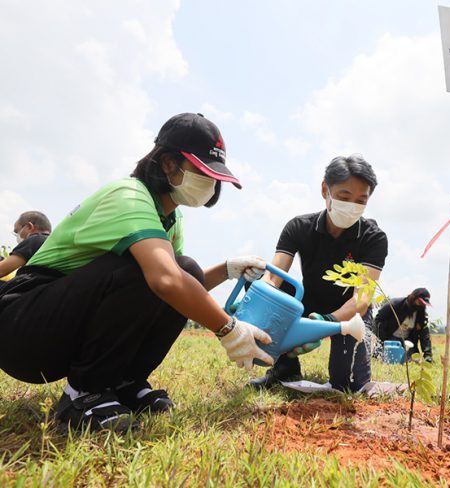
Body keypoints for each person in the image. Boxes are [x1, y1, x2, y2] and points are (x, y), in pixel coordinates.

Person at [0, 113, 274, 433]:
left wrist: (227, 270)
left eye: (214, 177)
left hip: (60, 321)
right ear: (169, 164)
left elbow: (180, 283)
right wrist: (228, 329)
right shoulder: (129, 196)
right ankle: (84, 395)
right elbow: (164, 280)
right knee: (158, 270)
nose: (210, 183)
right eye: (201, 171)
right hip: (23, 327)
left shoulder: (170, 218)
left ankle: (121, 382)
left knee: (186, 270)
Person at [248, 154, 388, 392]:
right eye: (345, 196)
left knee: (350, 386)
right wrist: (254, 307)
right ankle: (285, 366)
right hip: (309, 302)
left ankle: (348, 372)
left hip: (350, 311)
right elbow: (274, 276)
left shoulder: (373, 237)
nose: (352, 205)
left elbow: (362, 300)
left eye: (361, 200)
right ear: (326, 190)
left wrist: (326, 323)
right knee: (259, 286)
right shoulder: (298, 227)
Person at [372, 288, 433, 362]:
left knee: (412, 359)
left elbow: (425, 336)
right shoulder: (395, 305)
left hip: (407, 341)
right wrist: (381, 342)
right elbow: (378, 321)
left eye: (423, 304)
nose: (422, 306)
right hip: (390, 339)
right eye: (420, 302)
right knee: (390, 357)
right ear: (414, 298)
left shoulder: (422, 316)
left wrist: (428, 356)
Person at [0, 211, 52, 281]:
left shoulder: (36, 240)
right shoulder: (50, 242)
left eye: (17, 231)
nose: (17, 235)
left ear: (29, 227)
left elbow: (1, 270)